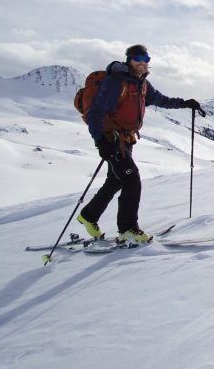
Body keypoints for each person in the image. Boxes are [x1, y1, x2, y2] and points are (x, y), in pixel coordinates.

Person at [77, 44, 201, 244]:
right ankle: (128, 229)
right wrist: (101, 141)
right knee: (131, 179)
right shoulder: (116, 82)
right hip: (112, 139)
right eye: (137, 59)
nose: (142, 63)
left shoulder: (142, 84)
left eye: (146, 59)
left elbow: (160, 99)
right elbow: (95, 113)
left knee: (117, 180)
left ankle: (89, 216)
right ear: (129, 60)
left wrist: (185, 103)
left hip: (125, 139)